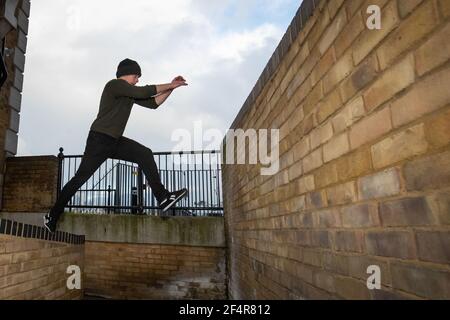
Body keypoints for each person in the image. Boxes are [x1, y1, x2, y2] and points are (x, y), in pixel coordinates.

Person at [44, 58, 188, 233]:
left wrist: (172, 88)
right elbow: (144, 92)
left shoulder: (129, 94)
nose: (138, 80)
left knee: (144, 154)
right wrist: (170, 84)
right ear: (127, 74)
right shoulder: (114, 85)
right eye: (136, 76)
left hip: (115, 141)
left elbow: (152, 104)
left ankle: (163, 198)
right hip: (99, 140)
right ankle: (52, 216)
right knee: (79, 179)